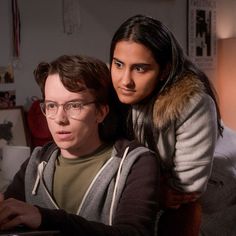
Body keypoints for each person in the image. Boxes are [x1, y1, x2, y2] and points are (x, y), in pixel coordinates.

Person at [0, 55, 160, 236]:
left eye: (74, 105)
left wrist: (46, 218)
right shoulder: (36, 162)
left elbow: (134, 233)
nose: (60, 119)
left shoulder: (135, 162)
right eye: (51, 106)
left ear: (100, 112)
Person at [109, 15, 223, 235]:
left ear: (164, 70)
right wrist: (153, 190)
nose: (125, 81)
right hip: (144, 188)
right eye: (118, 64)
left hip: (184, 199)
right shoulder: (108, 93)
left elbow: (187, 188)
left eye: (140, 69)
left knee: (187, 213)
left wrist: (154, 191)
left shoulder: (192, 103)